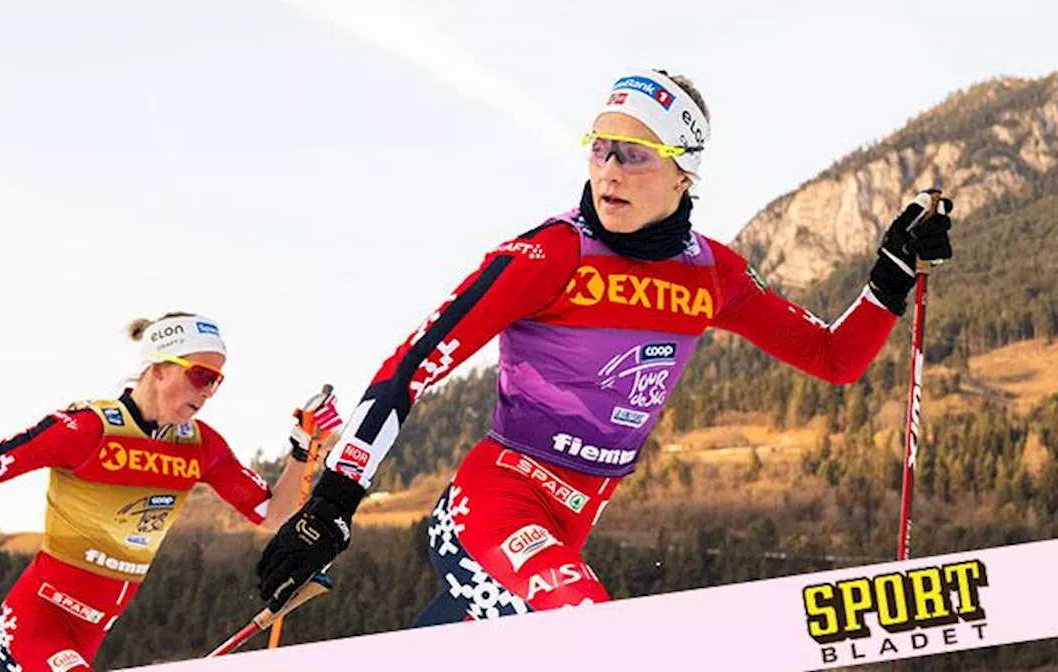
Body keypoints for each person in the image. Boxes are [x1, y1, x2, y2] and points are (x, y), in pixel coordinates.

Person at [255, 69, 954, 623]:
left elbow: (835, 359)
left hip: (571, 525)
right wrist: (331, 506)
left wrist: (889, 277)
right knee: (589, 631)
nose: (610, 171)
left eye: (636, 154)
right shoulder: (548, 256)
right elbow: (409, 368)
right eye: (600, 147)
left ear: (685, 173)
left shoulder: (712, 273)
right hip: (491, 509)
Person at [0, 312, 343, 671]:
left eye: (217, 381)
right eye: (201, 375)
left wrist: (304, 450)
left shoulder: (202, 446)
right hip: (34, 624)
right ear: (158, 368)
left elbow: (271, 513)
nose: (209, 391)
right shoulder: (86, 429)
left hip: (91, 633)